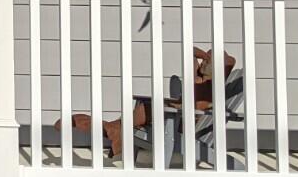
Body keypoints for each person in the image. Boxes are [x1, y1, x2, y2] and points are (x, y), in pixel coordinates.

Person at [56, 45, 237, 159]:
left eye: (208, 62)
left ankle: (110, 128)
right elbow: (190, 50)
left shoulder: (212, 86)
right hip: (173, 117)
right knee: (149, 109)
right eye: (204, 60)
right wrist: (206, 55)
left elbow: (229, 62)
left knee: (150, 109)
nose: (204, 63)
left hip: (182, 124)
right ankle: (113, 129)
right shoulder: (197, 78)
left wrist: (176, 106)